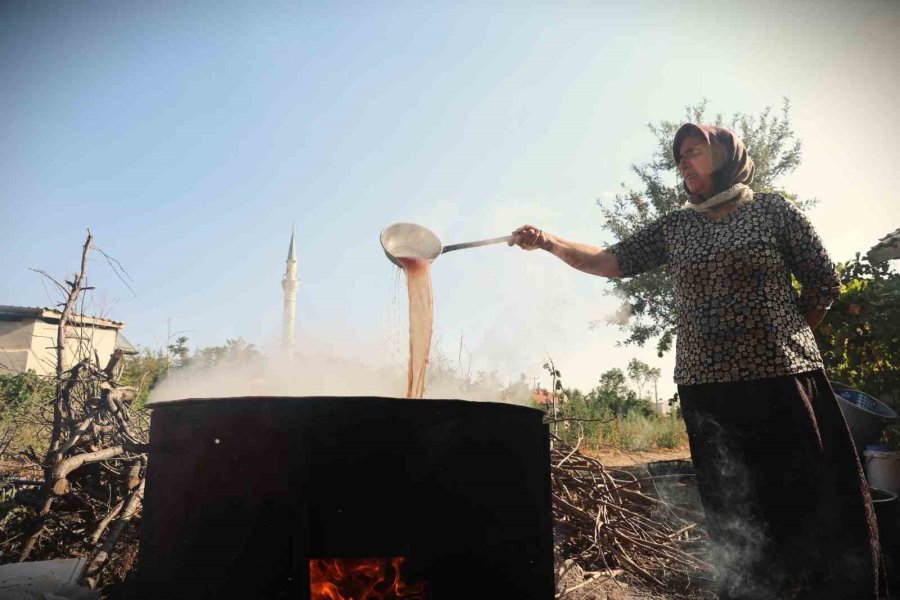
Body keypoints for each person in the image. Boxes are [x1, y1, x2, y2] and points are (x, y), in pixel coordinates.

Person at [510, 124, 880, 600]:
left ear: (725, 155)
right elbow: (608, 260)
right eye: (679, 155)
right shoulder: (677, 227)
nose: (684, 162)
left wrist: (783, 338)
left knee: (806, 507)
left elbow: (823, 283)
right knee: (735, 517)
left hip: (782, 383)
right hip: (709, 393)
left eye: (694, 151)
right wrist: (548, 241)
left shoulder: (772, 210)